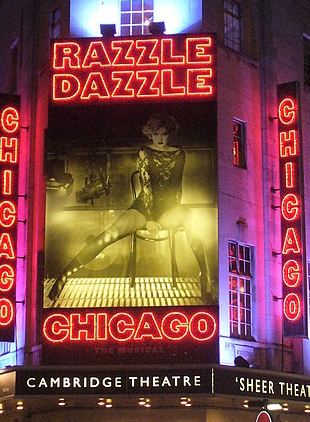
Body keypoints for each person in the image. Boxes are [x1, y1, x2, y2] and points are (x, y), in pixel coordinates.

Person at [48, 113, 214, 303]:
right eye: (156, 133)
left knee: (190, 218)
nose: (160, 138)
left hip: (169, 208)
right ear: (149, 134)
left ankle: (205, 277)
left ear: (169, 134)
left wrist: (174, 214)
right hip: (144, 206)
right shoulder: (144, 152)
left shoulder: (179, 154)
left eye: (164, 134)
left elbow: (177, 187)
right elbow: (147, 185)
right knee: (108, 235)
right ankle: (64, 275)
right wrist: (150, 219)